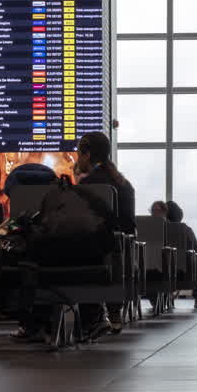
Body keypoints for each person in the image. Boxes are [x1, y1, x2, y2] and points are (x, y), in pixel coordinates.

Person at [71, 131, 136, 338]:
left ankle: (91, 319)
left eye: (78, 153)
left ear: (87, 155)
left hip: (96, 250)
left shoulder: (89, 185)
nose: (76, 158)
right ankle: (103, 316)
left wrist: (77, 184)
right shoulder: (123, 183)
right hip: (121, 250)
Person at [165, 200, 197, 309]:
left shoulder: (157, 230)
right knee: (195, 266)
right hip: (183, 273)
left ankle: (159, 300)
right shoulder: (186, 230)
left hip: (159, 272)